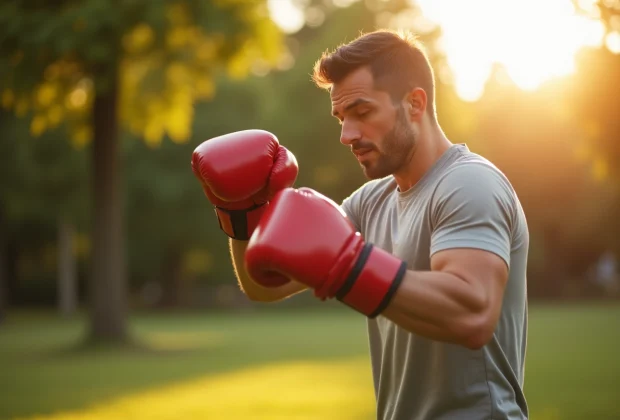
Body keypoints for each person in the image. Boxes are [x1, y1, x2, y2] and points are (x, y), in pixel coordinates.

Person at [192, 30, 529, 420]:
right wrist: (242, 213)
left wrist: (350, 266)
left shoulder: (469, 183)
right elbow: (265, 286)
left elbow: (472, 313)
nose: (346, 135)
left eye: (362, 112)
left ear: (415, 103)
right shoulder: (371, 201)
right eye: (341, 117)